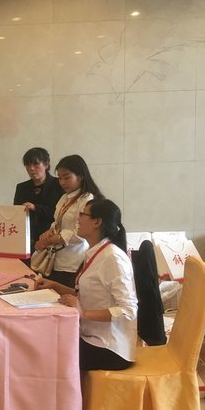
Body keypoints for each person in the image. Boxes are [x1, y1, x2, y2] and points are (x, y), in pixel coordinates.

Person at [36, 198, 138, 371]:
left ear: (97, 222)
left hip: (110, 347)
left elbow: (128, 310)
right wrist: (54, 285)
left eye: (83, 214)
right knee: (44, 339)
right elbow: (86, 294)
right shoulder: (95, 252)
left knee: (47, 350)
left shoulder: (113, 258)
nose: (78, 218)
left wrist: (83, 313)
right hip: (91, 336)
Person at [35, 154, 103, 288]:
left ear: (81, 176)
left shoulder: (87, 199)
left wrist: (57, 238)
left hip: (73, 260)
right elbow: (57, 221)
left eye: (66, 177)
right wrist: (49, 232)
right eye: (60, 178)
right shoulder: (64, 198)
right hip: (56, 258)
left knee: (66, 294)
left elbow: (83, 232)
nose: (62, 182)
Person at [14, 147, 64, 257]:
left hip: (51, 241)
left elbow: (60, 213)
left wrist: (36, 207)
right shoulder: (22, 187)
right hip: (27, 241)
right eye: (28, 165)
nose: (31, 169)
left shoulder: (58, 185)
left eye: (36, 164)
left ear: (46, 165)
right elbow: (16, 215)